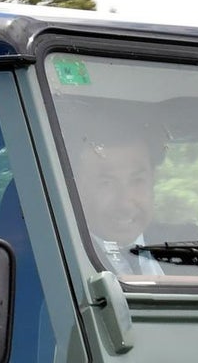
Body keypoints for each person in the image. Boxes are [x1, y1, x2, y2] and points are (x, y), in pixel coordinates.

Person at [70, 116, 170, 276]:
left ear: (153, 180)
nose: (125, 203)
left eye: (137, 180)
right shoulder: (61, 259)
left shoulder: (193, 247)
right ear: (77, 188)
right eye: (106, 183)